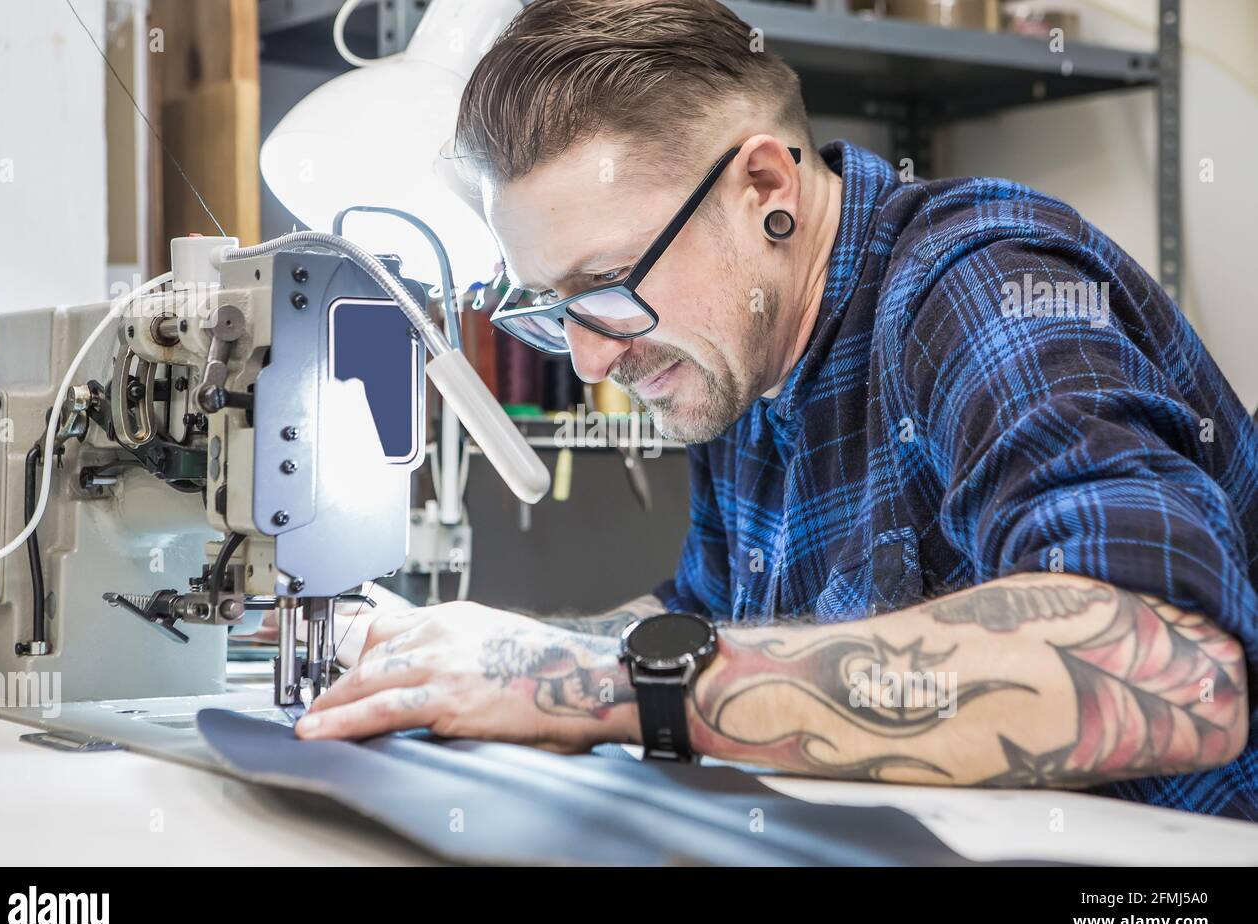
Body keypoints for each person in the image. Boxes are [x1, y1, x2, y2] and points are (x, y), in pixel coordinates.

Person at [289, 0, 1256, 818]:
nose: (592, 352)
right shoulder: (736, 357)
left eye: (611, 282)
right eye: (554, 304)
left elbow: (1178, 673)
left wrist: (597, 688)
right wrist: (478, 653)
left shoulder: (981, 285)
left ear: (765, 190)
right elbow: (709, 624)